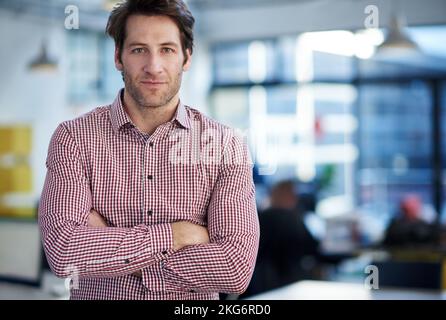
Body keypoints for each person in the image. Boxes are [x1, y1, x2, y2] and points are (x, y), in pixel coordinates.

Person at [38, 0, 259, 300]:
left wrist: (114, 253)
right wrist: (177, 235)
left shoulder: (225, 145)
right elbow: (64, 253)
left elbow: (235, 270)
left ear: (186, 58)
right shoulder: (73, 139)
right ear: (118, 56)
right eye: (139, 49)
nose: (153, 66)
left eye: (167, 49)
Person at [242, 180, 319, 297]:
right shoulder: (294, 219)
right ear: (290, 196)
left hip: (261, 281)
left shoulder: (259, 217)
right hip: (293, 279)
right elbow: (312, 248)